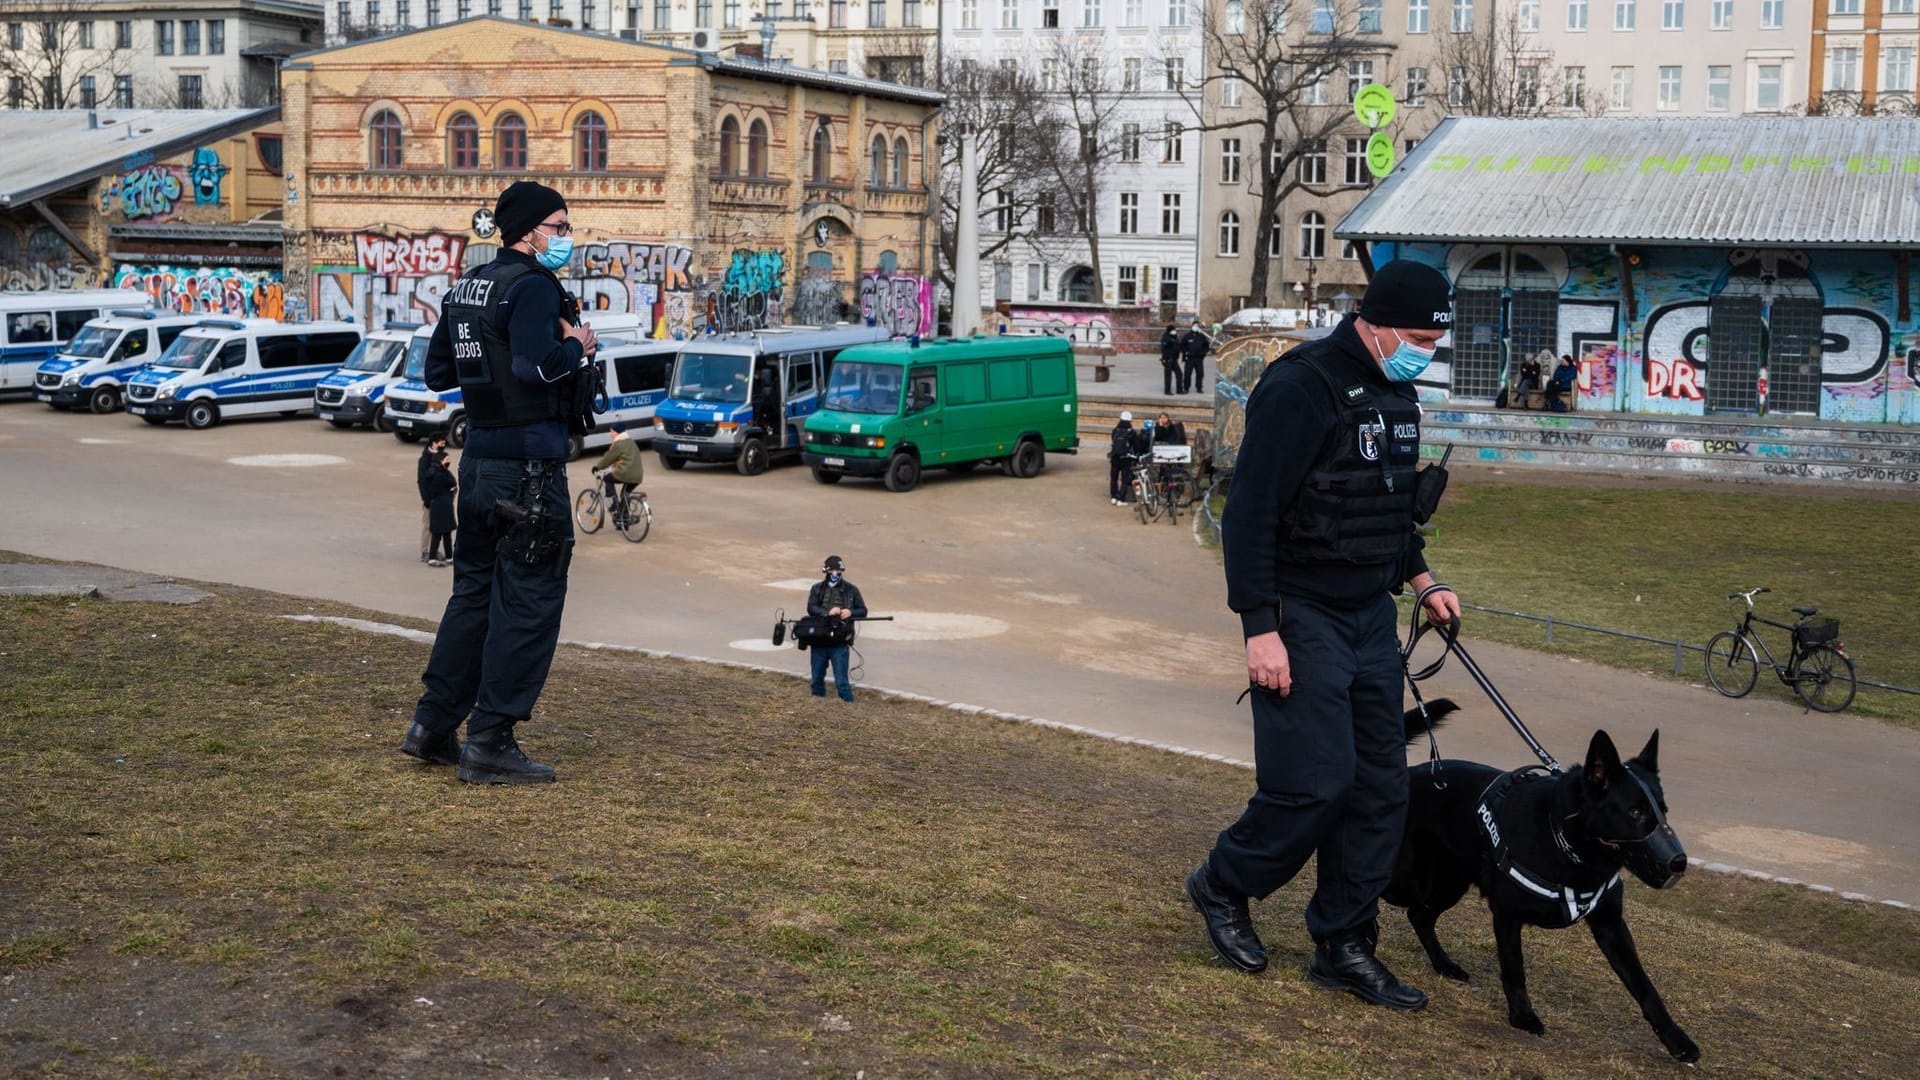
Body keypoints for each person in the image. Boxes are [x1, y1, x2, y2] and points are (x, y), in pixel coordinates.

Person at [1187, 259, 1464, 1013]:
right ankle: (1222, 884)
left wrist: (1423, 580)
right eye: (1414, 338)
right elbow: (1248, 513)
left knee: (1379, 791)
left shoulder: (1396, 391)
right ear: (1372, 324)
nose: (1424, 353)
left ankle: (1343, 945)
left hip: (1369, 615)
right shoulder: (1300, 386)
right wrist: (1260, 632)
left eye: (1433, 342)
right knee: (1314, 784)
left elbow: (1383, 508)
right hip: (1299, 608)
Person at [399, 179, 599, 785]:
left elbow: (438, 373)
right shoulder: (535, 286)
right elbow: (535, 366)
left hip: (480, 462)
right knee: (528, 603)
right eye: (560, 227)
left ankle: (433, 726)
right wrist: (578, 345)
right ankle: (490, 739)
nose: (567, 237)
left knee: (474, 598)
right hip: (530, 471)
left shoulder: (468, 285)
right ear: (530, 231)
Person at [807, 555, 868, 702]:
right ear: (826, 571)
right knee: (816, 680)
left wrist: (850, 612)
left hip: (840, 643)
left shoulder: (851, 590)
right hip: (819, 641)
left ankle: (848, 708)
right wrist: (827, 612)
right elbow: (811, 608)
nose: (835, 573)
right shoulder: (817, 589)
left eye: (838, 570)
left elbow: (863, 611)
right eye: (832, 570)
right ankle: (818, 706)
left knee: (841, 682)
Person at [591, 422, 645, 513]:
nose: (611, 434)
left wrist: (598, 466)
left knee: (607, 478)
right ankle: (624, 519)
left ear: (618, 432)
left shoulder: (619, 443)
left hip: (626, 472)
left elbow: (608, 458)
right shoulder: (631, 441)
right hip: (638, 474)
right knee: (625, 495)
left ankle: (614, 503)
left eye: (612, 432)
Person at [416, 432, 449, 564]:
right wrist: (426, 499)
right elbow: (422, 481)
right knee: (428, 525)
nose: (443, 444)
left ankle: (434, 551)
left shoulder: (441, 456)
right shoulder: (425, 459)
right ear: (434, 443)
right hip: (430, 498)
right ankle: (425, 551)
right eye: (441, 442)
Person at [423, 449, 457, 566]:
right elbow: (452, 481)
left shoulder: (436, 472)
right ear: (441, 461)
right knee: (438, 534)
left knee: (446, 533)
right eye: (446, 460)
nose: (449, 462)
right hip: (441, 507)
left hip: (443, 506)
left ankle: (449, 557)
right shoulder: (439, 475)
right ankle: (433, 557)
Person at [1108, 410, 1142, 505]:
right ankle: (1121, 499)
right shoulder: (1131, 432)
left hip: (1115, 457)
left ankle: (1113, 497)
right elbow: (1136, 446)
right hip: (1126, 458)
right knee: (1124, 479)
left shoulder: (1115, 430)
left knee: (1113, 478)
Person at [1180, 321, 1212, 396]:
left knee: (1200, 374)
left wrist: (1203, 353)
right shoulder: (1187, 336)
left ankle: (1199, 388)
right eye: (1194, 325)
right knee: (1187, 374)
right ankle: (1186, 388)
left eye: (1197, 326)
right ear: (1192, 326)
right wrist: (1185, 353)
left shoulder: (1201, 336)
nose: (1196, 327)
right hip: (1189, 359)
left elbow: (1206, 346)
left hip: (1199, 359)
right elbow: (1182, 346)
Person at [1160, 323, 1183, 395]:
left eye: (1175, 330)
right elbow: (1163, 348)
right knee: (1168, 376)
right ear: (1169, 331)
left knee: (1179, 374)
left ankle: (1179, 390)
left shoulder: (1175, 337)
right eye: (1173, 330)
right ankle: (1167, 391)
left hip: (1174, 359)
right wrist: (1165, 358)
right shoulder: (1165, 337)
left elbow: (1178, 347)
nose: (1174, 331)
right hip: (1168, 359)